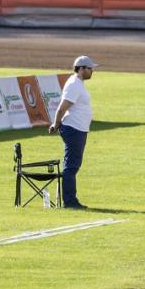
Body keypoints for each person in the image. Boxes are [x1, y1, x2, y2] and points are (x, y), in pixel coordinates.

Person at [49, 55, 98, 209]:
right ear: (81, 68)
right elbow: (62, 107)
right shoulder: (74, 85)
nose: (92, 71)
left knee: (73, 165)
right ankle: (69, 201)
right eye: (90, 69)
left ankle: (70, 200)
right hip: (74, 128)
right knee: (71, 166)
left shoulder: (78, 83)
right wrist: (56, 124)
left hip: (78, 128)